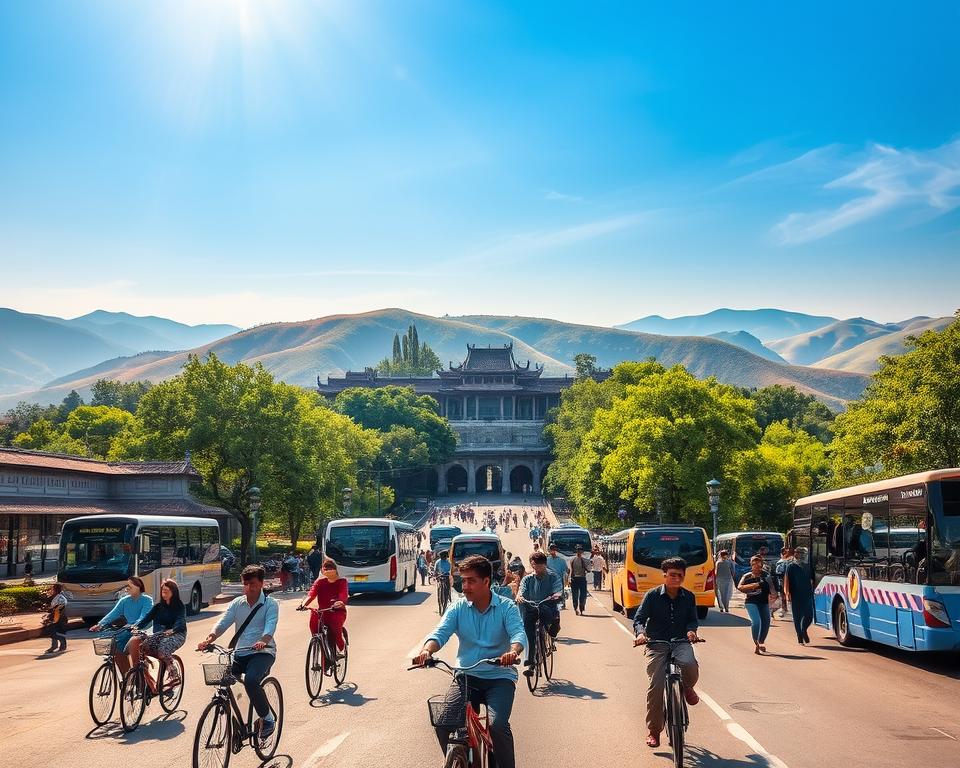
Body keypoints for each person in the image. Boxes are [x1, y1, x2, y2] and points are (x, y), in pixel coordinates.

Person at [413, 555, 525, 768]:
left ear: (486, 581)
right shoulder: (458, 608)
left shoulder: (506, 607)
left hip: (499, 677)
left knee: (498, 725)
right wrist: (427, 651)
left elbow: (518, 634)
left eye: (471, 581)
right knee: (444, 723)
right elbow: (440, 633)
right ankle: (459, 758)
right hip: (466, 676)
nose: (464, 586)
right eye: (462, 580)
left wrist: (513, 651)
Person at [199, 565, 280, 739]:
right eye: (245, 584)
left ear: (261, 583)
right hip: (240, 653)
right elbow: (223, 623)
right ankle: (237, 720)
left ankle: (268, 719)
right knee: (223, 681)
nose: (248, 588)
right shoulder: (237, 603)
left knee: (251, 680)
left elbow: (270, 625)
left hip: (262, 653)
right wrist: (209, 638)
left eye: (252, 583)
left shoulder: (270, 604)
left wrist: (263, 641)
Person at [632, 557, 700, 749]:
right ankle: (654, 731)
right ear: (664, 576)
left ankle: (687, 687)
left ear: (684, 576)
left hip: (680, 642)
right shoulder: (652, 596)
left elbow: (692, 620)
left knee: (689, 663)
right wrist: (641, 634)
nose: (676, 578)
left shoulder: (689, 596)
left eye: (680, 575)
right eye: (672, 575)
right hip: (656, 644)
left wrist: (691, 631)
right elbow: (639, 619)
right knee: (656, 685)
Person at [128, 579, 187, 689]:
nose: (164, 593)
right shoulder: (158, 607)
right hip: (160, 634)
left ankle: (174, 676)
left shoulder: (179, 606)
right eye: (163, 591)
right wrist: (135, 626)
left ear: (173, 592)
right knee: (142, 647)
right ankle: (148, 681)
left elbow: (181, 621)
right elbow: (146, 619)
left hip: (177, 634)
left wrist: (173, 630)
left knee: (163, 648)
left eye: (167, 591)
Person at [89, 576, 154, 675]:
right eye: (126, 586)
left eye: (129, 586)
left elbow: (144, 616)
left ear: (138, 586)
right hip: (128, 630)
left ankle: (142, 677)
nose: (127, 588)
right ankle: (127, 677)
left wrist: (136, 624)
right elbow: (113, 613)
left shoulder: (147, 600)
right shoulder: (124, 600)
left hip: (143, 630)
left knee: (137, 654)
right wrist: (100, 624)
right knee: (116, 648)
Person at [517, 551, 562, 673]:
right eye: (535, 565)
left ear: (545, 564)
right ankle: (531, 663)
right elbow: (522, 590)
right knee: (529, 634)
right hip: (531, 608)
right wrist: (520, 596)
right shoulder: (527, 579)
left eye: (540, 565)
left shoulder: (553, 577)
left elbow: (558, 590)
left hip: (548, 607)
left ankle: (552, 630)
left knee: (550, 622)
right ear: (532, 565)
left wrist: (555, 596)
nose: (537, 567)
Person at [300, 557, 348, 653]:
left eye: (330, 568)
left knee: (335, 629)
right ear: (322, 570)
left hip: (336, 611)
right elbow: (311, 594)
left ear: (335, 570)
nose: (328, 571)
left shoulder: (342, 581)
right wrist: (304, 604)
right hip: (322, 611)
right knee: (314, 624)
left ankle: (340, 649)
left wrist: (340, 602)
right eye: (326, 569)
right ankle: (320, 647)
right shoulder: (320, 582)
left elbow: (343, 594)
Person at [738, 555, 776, 654]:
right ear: (751, 564)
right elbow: (740, 587)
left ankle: (761, 641)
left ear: (762, 564)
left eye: (758, 564)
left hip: (763, 602)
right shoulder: (747, 576)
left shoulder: (766, 575)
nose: (756, 566)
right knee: (756, 621)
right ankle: (756, 643)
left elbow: (772, 589)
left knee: (766, 622)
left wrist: (774, 595)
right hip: (751, 602)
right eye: (754, 564)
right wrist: (755, 585)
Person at [784, 547, 815, 644]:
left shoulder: (809, 566)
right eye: (800, 553)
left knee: (809, 616)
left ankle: (804, 629)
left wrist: (814, 590)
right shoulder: (791, 566)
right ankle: (799, 636)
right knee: (797, 616)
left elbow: (813, 580)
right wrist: (787, 593)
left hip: (807, 594)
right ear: (796, 554)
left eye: (804, 553)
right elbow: (786, 581)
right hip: (795, 595)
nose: (802, 555)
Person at [43, 583, 69, 654]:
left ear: (55, 589)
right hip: (54, 617)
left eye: (53, 588)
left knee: (59, 632)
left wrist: (50, 614)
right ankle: (54, 646)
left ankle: (63, 646)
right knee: (52, 631)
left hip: (60, 618)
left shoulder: (61, 598)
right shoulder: (53, 597)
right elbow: (48, 603)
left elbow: (58, 609)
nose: (52, 590)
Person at [545, 543, 569, 610]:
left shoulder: (561, 561)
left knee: (560, 592)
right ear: (549, 550)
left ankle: (562, 604)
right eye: (551, 549)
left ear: (556, 550)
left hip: (559, 579)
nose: (552, 551)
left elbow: (566, 570)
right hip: (549, 579)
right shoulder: (546, 560)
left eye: (554, 549)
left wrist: (567, 579)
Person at [569, 544, 591, 615]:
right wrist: (569, 579)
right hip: (574, 579)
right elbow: (571, 570)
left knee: (583, 595)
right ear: (576, 551)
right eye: (578, 550)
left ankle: (581, 608)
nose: (579, 551)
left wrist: (586, 567)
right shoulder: (572, 560)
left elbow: (589, 570)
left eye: (580, 550)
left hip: (582, 578)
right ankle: (575, 608)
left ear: (582, 552)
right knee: (575, 595)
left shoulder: (585, 560)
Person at [773, 547, 793, 618]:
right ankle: (782, 610)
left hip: (786, 582)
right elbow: (779, 573)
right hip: (783, 582)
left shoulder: (788, 561)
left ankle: (783, 610)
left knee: (783, 597)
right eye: (787, 552)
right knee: (783, 597)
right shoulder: (781, 562)